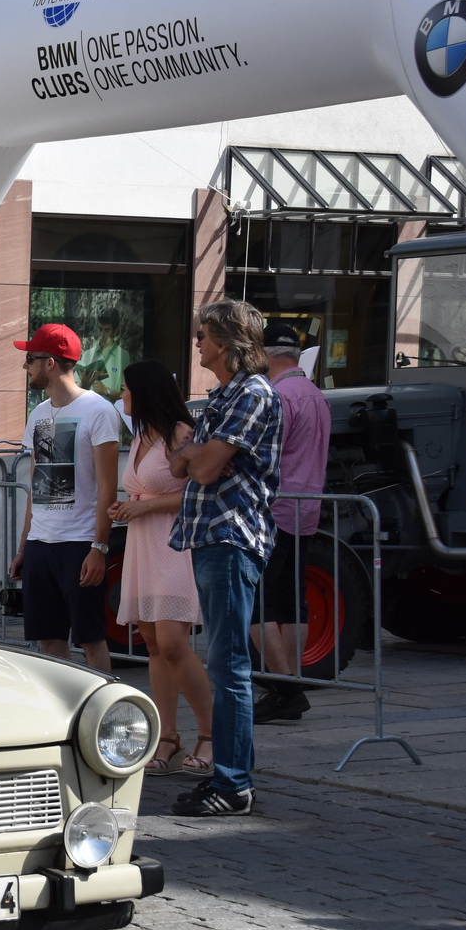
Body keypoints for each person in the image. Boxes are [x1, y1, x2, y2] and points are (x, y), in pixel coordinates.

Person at [168, 299, 283, 818]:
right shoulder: (224, 395)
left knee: (229, 664)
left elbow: (204, 467)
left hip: (232, 538)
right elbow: (179, 463)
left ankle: (234, 783)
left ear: (227, 342)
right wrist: (193, 455)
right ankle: (229, 777)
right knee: (224, 661)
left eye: (203, 334)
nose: (197, 341)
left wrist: (196, 454)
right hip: (212, 537)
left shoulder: (252, 394)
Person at [109, 361, 214, 776]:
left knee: (172, 641)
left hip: (174, 544)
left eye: (126, 389)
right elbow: (143, 490)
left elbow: (195, 494)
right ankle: (168, 735)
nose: (122, 396)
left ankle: (209, 733)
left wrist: (144, 506)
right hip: (143, 543)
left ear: (145, 392)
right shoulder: (141, 436)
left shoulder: (180, 434)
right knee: (153, 643)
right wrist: (128, 507)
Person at [8, 324, 119, 671]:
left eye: (30, 359)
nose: (25, 367)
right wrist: (25, 546)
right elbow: (37, 485)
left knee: (89, 638)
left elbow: (107, 489)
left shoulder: (98, 411)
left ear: (50, 363)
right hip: (43, 542)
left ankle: (102, 713)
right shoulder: (39, 413)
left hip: (80, 543)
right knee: (49, 639)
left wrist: (99, 548)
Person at [254, 321, 332, 724]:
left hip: (276, 507)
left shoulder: (278, 396)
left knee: (258, 601)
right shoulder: (315, 394)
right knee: (291, 600)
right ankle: (291, 684)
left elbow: (265, 454)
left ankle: (284, 688)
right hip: (307, 508)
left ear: (267, 354)